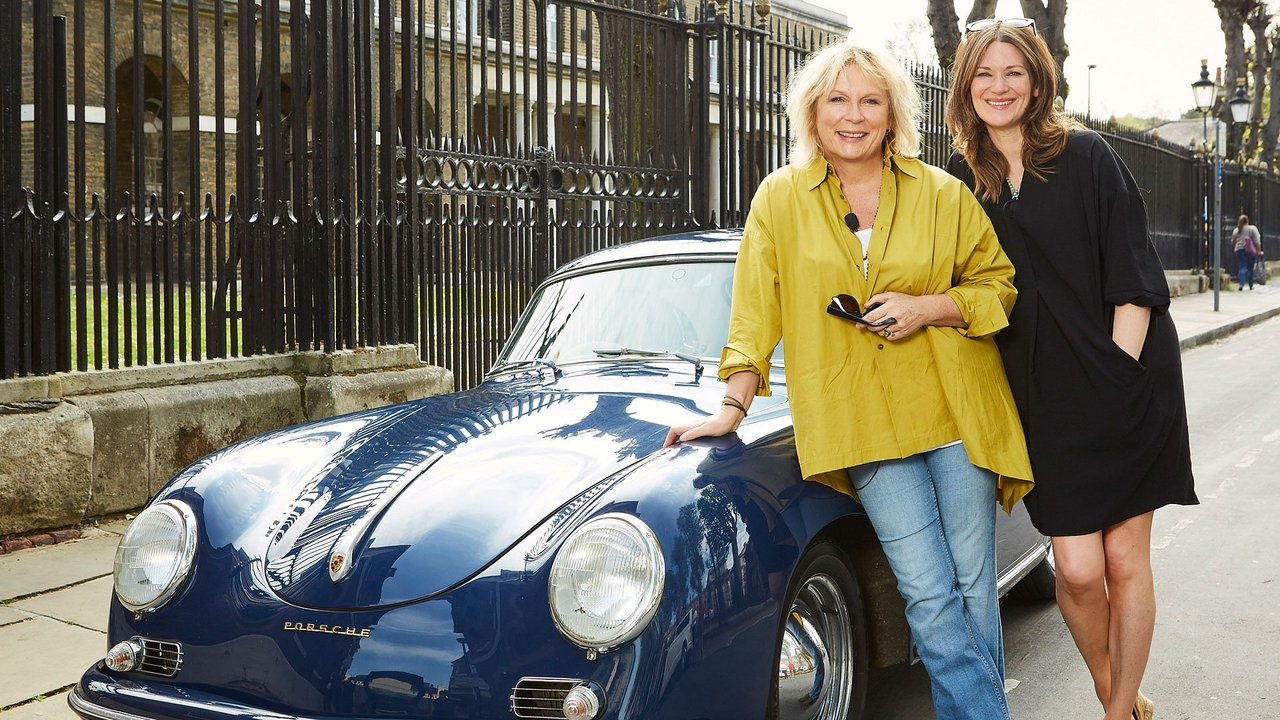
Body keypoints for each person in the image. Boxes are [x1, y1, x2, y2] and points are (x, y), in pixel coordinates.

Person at [665, 39, 1034, 720]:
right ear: (814, 111)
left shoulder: (942, 193)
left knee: (973, 587)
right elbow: (754, 313)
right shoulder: (779, 199)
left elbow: (998, 286)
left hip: (956, 408)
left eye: (870, 101)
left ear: (893, 116)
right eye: (838, 99)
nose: (854, 115)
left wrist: (928, 307)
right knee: (927, 591)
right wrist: (730, 408)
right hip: (857, 417)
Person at [944, 18, 1199, 720]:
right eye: (985, 73)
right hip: (1040, 400)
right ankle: (1111, 684)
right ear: (966, 83)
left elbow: (1134, 275)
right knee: (1080, 573)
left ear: (1037, 80)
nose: (999, 87)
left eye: (1013, 72)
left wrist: (1115, 377)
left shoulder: (1087, 156)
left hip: (1125, 380)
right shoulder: (957, 183)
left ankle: (1118, 712)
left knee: (1124, 562)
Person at [1233, 214, 1262, 290]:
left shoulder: (1236, 230)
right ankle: (1250, 285)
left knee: (1242, 266)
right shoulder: (1252, 228)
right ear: (1247, 221)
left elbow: (1233, 241)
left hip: (1239, 250)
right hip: (1250, 250)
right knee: (1250, 268)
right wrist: (1259, 250)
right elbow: (1257, 240)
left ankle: (1241, 284)